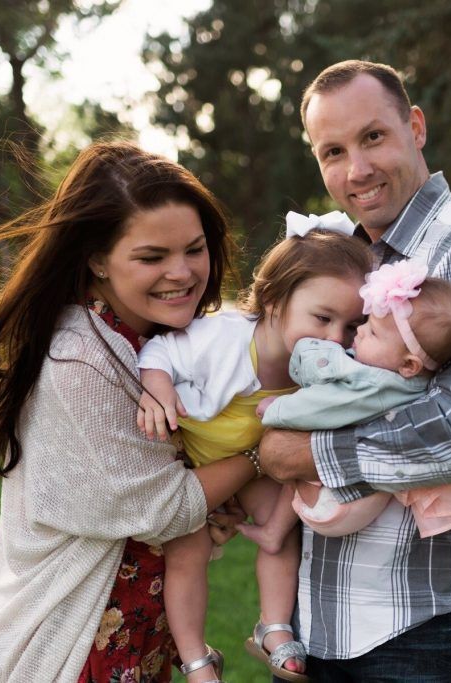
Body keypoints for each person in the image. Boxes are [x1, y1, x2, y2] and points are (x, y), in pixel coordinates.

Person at [258, 60, 451, 681]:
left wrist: (303, 453)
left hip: (418, 632)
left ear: (415, 126)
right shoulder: (340, 254)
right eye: (333, 151)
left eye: (373, 137)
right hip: (317, 626)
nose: (356, 169)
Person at [0, 141, 259, 683]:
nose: (182, 272)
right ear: (98, 258)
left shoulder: (154, 344)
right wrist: (264, 454)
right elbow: (164, 508)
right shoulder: (81, 360)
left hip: (133, 630)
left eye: (194, 249)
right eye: (151, 257)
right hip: (72, 644)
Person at [134, 221, 371, 682]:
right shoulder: (221, 337)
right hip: (196, 462)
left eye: (351, 325)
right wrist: (158, 390)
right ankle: (195, 658)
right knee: (187, 550)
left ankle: (274, 625)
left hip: (256, 467)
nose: (336, 338)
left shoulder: (328, 368)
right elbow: (160, 352)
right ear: (275, 302)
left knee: (284, 534)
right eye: (322, 319)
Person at [240, 259, 451, 553]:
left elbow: (323, 406)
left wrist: (279, 407)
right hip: (356, 495)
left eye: (374, 333)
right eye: (366, 323)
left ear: (408, 364)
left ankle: (274, 530)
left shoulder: (374, 383)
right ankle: (274, 531)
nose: (361, 332)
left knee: (299, 453)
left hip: (337, 502)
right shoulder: (408, 381)